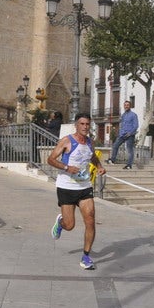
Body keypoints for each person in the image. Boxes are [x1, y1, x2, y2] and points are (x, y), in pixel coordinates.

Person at [48, 112, 106, 270]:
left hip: (84, 187)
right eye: (82, 124)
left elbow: (92, 156)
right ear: (76, 125)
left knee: (90, 220)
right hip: (66, 187)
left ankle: (86, 257)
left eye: (87, 124)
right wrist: (67, 167)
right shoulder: (67, 141)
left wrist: (99, 167)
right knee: (70, 225)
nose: (85, 127)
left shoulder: (89, 142)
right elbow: (50, 159)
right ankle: (60, 223)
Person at [107, 100, 138, 169]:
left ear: (130, 106)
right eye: (125, 105)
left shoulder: (133, 115)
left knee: (129, 150)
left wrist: (130, 133)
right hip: (122, 134)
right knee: (115, 146)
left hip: (130, 135)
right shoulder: (123, 115)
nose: (126, 106)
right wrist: (120, 132)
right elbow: (122, 125)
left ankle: (129, 165)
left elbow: (136, 126)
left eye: (127, 105)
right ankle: (112, 160)